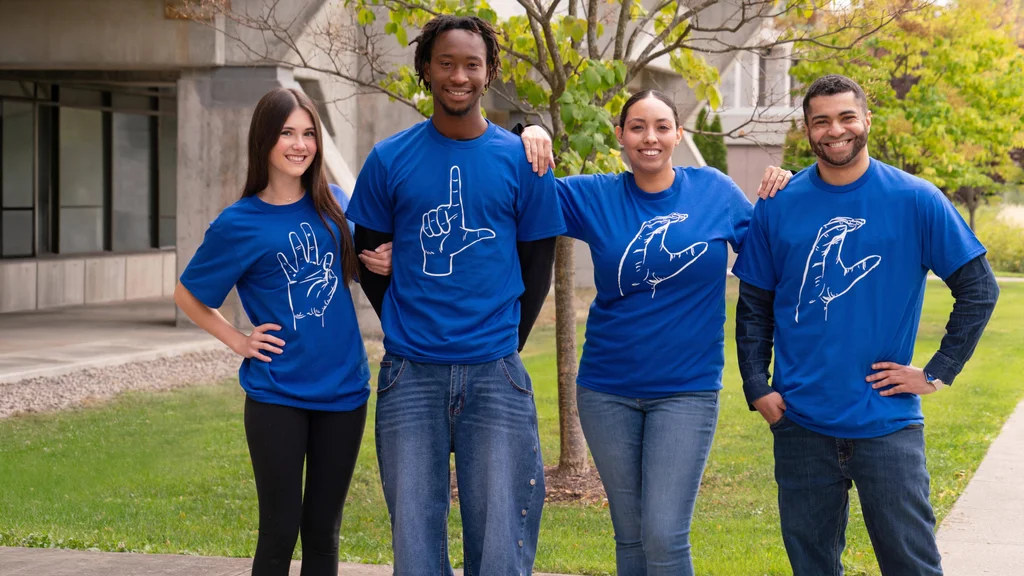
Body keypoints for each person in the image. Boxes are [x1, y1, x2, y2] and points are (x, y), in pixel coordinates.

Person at [732, 74, 1000, 576]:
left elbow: (980, 289)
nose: (835, 130)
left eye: (846, 117)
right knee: (812, 567)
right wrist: (755, 385)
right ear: (807, 131)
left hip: (887, 423)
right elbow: (754, 306)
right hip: (800, 422)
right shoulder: (779, 204)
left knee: (911, 565)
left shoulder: (916, 199)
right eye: (821, 121)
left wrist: (937, 370)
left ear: (866, 120)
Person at [517, 90, 791, 575]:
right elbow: (520, 186)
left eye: (662, 126)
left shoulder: (715, 191)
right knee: (630, 537)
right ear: (620, 136)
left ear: (678, 134)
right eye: (638, 127)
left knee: (664, 535)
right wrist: (527, 133)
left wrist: (789, 188)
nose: (651, 138)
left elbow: (776, 243)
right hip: (606, 391)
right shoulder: (595, 195)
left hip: (685, 392)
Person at [345, 15, 565, 576]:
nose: (459, 75)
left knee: (500, 544)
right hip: (409, 374)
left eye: (472, 64)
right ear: (425, 69)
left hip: (496, 373)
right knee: (415, 546)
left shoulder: (524, 160)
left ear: (489, 72)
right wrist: (402, 313)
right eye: (446, 63)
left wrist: (503, 342)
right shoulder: (389, 159)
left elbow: (538, 263)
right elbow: (369, 255)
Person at [174, 87, 390, 576]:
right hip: (277, 395)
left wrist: (381, 258)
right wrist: (239, 340)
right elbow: (189, 295)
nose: (301, 144)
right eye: (288, 133)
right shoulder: (239, 222)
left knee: (323, 533)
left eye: (309, 133)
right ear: (264, 141)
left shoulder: (337, 205)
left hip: (345, 391)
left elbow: (361, 265)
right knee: (279, 531)